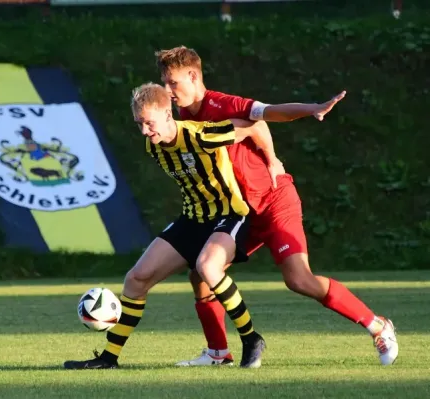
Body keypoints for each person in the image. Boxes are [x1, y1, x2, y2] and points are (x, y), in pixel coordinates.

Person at [154, 45, 398, 367]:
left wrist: (310, 110)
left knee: (299, 279)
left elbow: (265, 115)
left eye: (173, 83)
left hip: (272, 199)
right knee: (202, 272)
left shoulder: (221, 104)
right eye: (164, 83)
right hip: (241, 211)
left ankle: (378, 326)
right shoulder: (184, 116)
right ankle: (218, 354)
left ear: (193, 75)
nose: (168, 91)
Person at [64, 82, 271, 370]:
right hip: (192, 219)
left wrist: (273, 161)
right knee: (136, 279)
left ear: (167, 113)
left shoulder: (203, 135)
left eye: (149, 123)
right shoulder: (154, 144)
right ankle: (108, 359)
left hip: (228, 215)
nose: (145, 131)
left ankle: (251, 339)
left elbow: (254, 122)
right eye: (139, 124)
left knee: (207, 267)